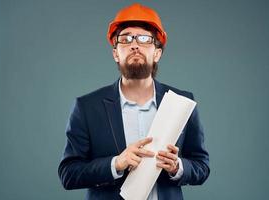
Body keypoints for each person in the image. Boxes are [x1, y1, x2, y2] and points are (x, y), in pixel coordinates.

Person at [58, 3, 210, 200]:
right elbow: (68, 174)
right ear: (115, 53)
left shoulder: (182, 103)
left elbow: (202, 166)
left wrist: (177, 167)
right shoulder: (87, 107)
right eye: (126, 39)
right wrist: (116, 164)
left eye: (145, 39)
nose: (135, 45)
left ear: (157, 53)